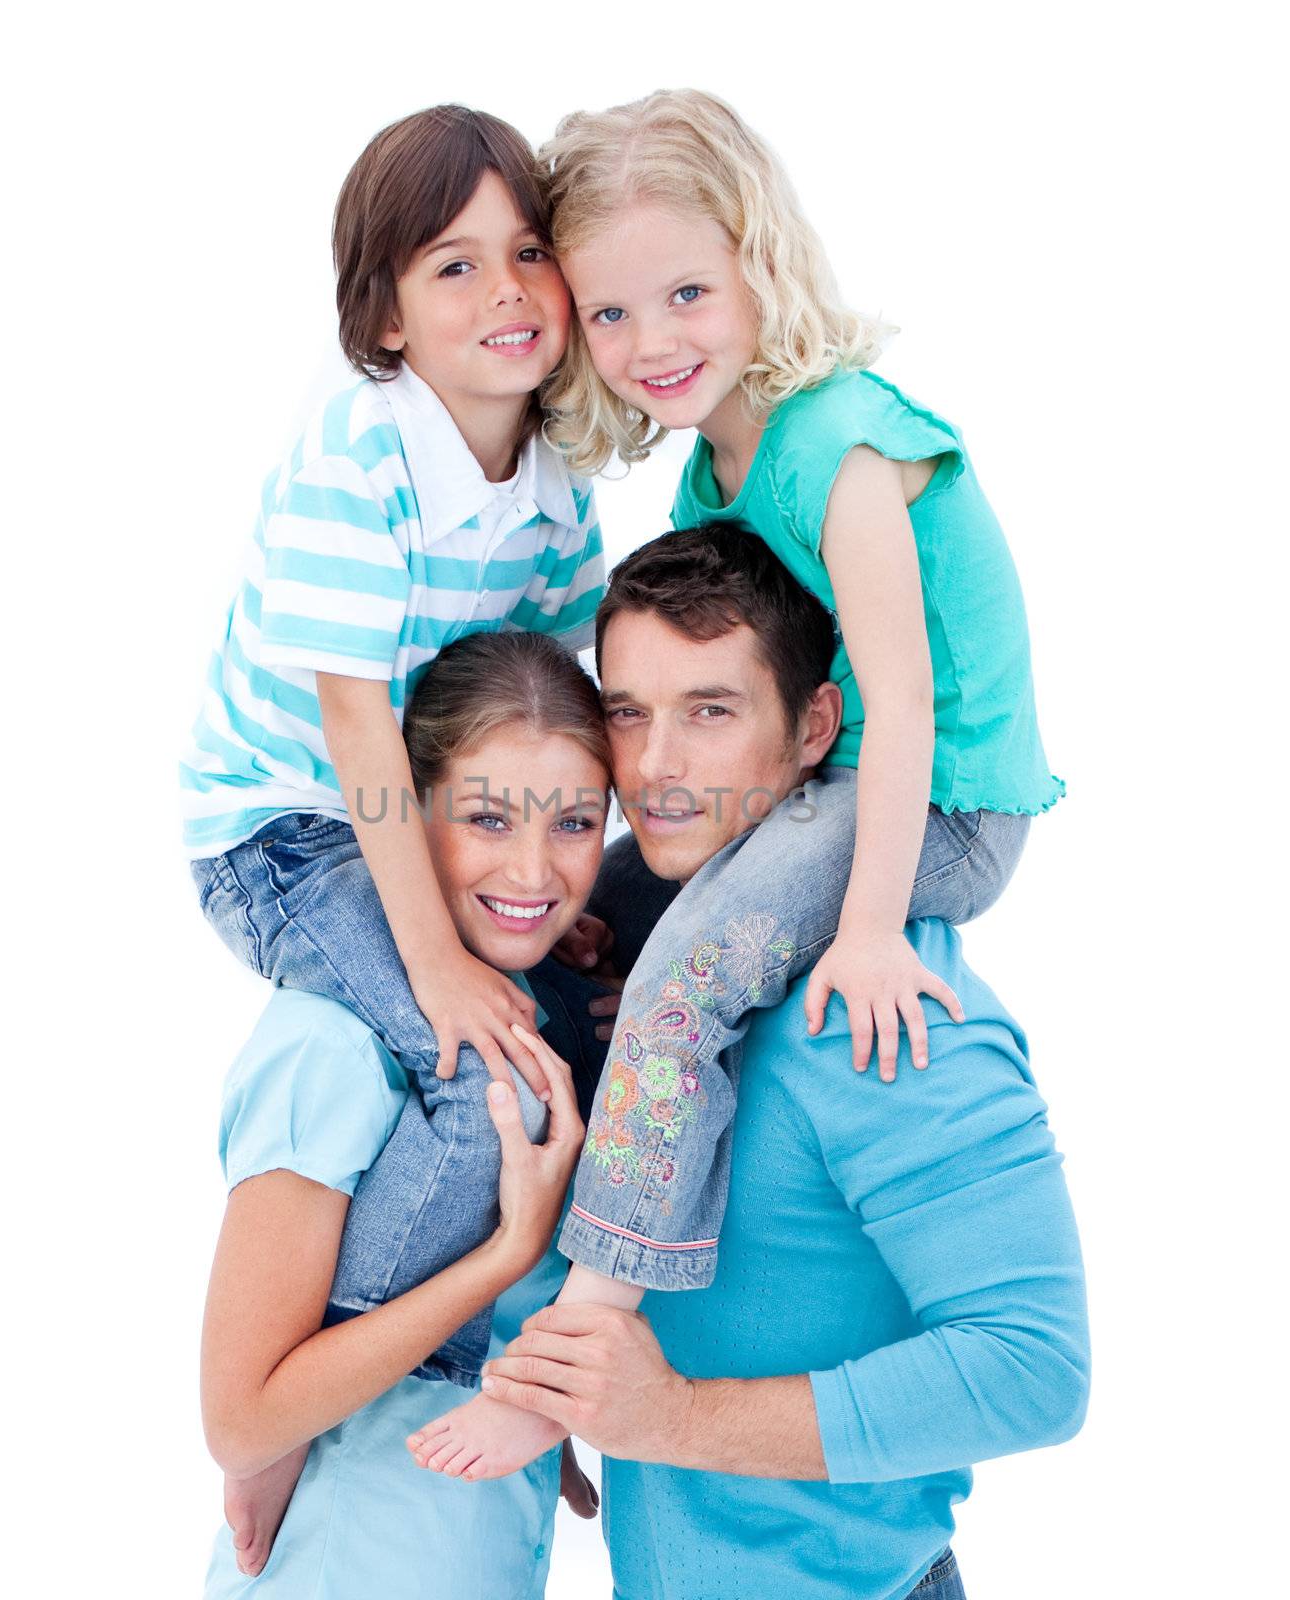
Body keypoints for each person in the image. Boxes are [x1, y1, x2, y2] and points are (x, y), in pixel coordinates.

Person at [413, 85, 1064, 1473]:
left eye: (688, 294)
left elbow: (898, 708)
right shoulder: (717, 466)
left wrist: (875, 929)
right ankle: (514, 1267)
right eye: (610, 313)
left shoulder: (838, 446)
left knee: (687, 972)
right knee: (590, 924)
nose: (653, 344)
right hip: (831, 786)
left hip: (939, 803)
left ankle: (576, 1347)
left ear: (761, 261)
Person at [412, 528, 1089, 1600]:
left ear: (814, 726)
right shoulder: (644, 981)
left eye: (712, 711)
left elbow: (1032, 1370)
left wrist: (667, 1417)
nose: (656, 767)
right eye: (627, 712)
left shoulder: (891, 1021)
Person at [183, 103, 609, 1399]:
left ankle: (506, 1349)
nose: (506, 291)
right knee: (480, 1072)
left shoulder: (553, 485)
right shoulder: (360, 453)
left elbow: (557, 695)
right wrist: (436, 963)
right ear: (385, 322)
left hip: (403, 825)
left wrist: (546, 881)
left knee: (554, 1048)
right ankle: (323, 1385)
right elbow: (352, 718)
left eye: (528, 251)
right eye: (453, 265)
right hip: (278, 832)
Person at [200, 631, 608, 1594]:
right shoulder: (329, 1045)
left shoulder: (545, 1019)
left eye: (577, 823)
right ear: (406, 810)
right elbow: (240, 1420)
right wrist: (507, 1255)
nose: (533, 873)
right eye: (488, 820)